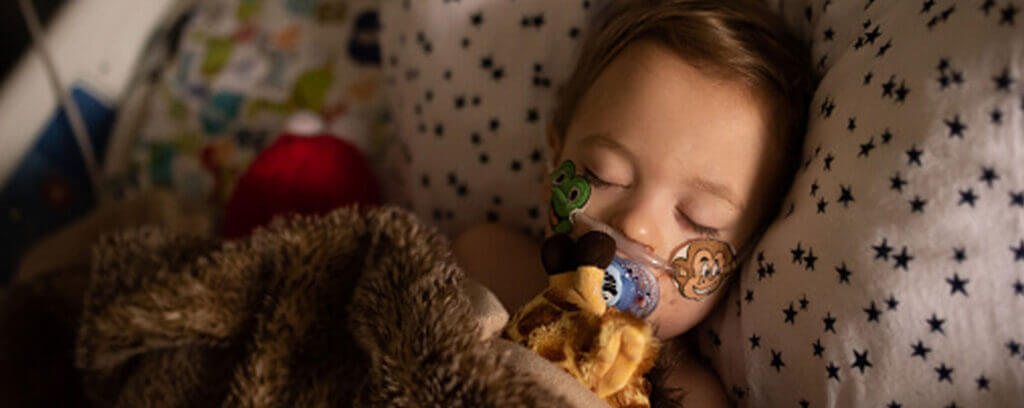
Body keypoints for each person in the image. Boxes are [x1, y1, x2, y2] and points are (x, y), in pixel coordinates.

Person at [454, 0, 813, 405]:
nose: (635, 225)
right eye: (603, 175)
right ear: (553, 162)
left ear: (746, 252)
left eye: (697, 217)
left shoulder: (692, 398)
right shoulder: (482, 262)